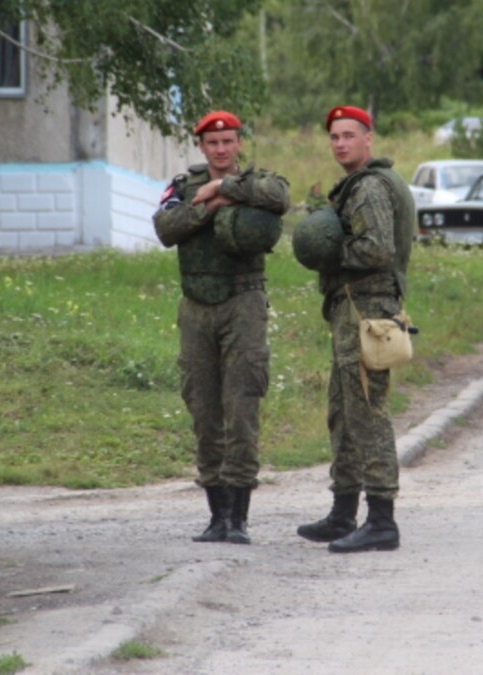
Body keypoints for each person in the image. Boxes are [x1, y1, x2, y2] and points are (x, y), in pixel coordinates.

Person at [153, 110, 290, 545]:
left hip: (243, 302)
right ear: (202, 147)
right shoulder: (183, 186)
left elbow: (281, 197)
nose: (221, 149)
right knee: (204, 409)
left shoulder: (257, 184)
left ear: (238, 143)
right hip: (196, 308)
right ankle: (216, 517)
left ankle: (240, 519)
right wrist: (212, 203)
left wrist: (228, 187)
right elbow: (165, 228)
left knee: (243, 406)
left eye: (228, 141)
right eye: (213, 143)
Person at [296, 105, 415, 553]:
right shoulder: (367, 183)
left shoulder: (367, 188)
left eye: (349, 135)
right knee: (344, 412)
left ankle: (382, 521)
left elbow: (377, 249)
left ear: (369, 139)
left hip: (366, 309)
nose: (341, 143)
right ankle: (343, 513)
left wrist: (330, 252)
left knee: (366, 411)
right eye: (334, 136)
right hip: (355, 308)